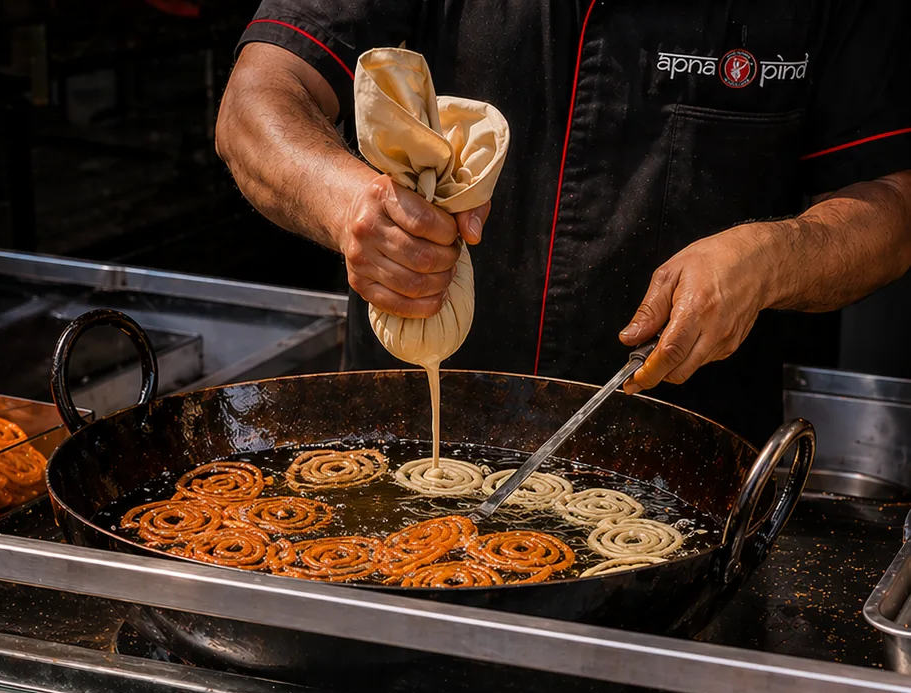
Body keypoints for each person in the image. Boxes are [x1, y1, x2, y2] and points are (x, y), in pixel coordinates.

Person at [216, 3, 911, 444]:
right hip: (396, 447)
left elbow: (894, 203)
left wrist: (772, 257)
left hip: (683, 480)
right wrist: (350, 202)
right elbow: (255, 103)